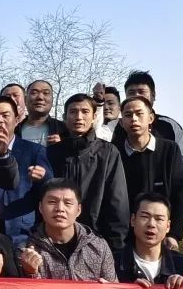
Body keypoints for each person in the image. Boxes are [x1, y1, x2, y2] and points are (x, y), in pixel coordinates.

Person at [47, 94, 129, 250]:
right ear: (64, 117)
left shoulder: (107, 152)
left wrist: (116, 244)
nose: (79, 117)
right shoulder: (52, 153)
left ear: (94, 117)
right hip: (56, 239)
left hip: (97, 238)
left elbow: (117, 201)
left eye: (85, 112)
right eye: (73, 112)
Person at [116, 96, 183, 247]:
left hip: (160, 234)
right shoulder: (114, 152)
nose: (134, 119)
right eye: (128, 115)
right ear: (121, 122)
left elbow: (179, 194)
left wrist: (174, 234)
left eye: (139, 114)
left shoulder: (169, 150)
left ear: (150, 118)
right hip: (123, 237)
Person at [116, 71, 183, 199]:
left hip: (165, 203)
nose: (137, 96)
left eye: (142, 92)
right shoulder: (118, 127)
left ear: (153, 95)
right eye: (131, 93)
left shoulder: (169, 126)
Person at [0, 95, 52, 249]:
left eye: (5, 115)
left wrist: (43, 178)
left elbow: (50, 190)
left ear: (16, 120)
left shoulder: (34, 151)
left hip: (21, 233)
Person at [19, 179, 117, 282]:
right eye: (52, 202)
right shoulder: (27, 249)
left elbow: (114, 288)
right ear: (41, 208)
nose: (60, 209)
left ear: (78, 210)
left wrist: (108, 287)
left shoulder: (98, 246)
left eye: (68, 203)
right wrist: (31, 273)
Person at [113, 193, 183, 287]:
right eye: (145, 217)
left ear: (168, 226)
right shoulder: (114, 264)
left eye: (159, 219)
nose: (151, 224)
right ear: (133, 220)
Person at [16, 79, 65, 146]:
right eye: (34, 93)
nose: (40, 97)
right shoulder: (14, 130)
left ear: (52, 100)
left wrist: (62, 146)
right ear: (25, 99)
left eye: (46, 93)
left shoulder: (64, 130)